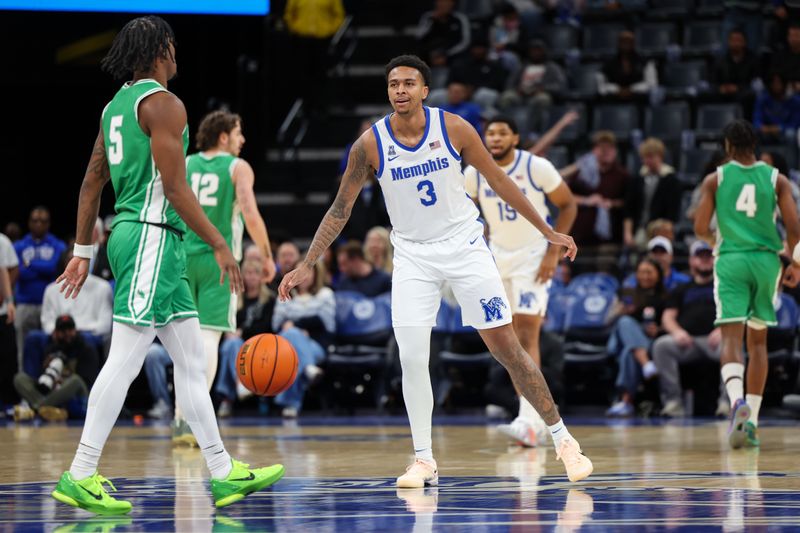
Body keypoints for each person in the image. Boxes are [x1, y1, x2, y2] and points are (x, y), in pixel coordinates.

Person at [279, 54, 592, 486]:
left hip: (465, 246)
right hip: (411, 255)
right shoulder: (369, 144)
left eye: (409, 83)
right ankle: (423, 459)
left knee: (508, 348)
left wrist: (548, 231)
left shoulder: (454, 128)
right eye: (393, 85)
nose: (400, 91)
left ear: (425, 90)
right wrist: (306, 263)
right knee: (411, 356)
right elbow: (340, 209)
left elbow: (501, 182)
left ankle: (563, 440)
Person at [51, 16, 283, 515]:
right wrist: (221, 244)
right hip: (152, 238)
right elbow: (175, 189)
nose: (177, 55)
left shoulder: (115, 107)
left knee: (192, 364)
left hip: (150, 242)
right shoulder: (164, 103)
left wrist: (83, 251)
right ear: (158, 50)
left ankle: (222, 472)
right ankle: (81, 472)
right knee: (127, 358)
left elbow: (92, 182)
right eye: (172, 47)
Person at [464, 115, 576, 447]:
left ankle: (528, 419)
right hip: (498, 257)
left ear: (515, 137)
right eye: (490, 134)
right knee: (507, 339)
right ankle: (535, 418)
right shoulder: (473, 173)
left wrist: (552, 254)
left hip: (533, 256)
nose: (494, 138)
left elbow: (568, 205)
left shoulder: (536, 167)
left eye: (502, 133)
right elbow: (465, 208)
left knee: (527, 334)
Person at [694, 119, 800, 448]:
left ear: (727, 147)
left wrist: (718, 238)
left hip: (731, 260)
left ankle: (736, 401)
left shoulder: (716, 178)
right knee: (758, 342)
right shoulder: (776, 178)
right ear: (755, 146)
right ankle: (751, 420)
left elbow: (699, 227)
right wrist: (795, 263)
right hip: (767, 261)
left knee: (731, 337)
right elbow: (794, 228)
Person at [174, 110, 277, 444]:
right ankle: (195, 423)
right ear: (223, 137)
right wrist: (265, 254)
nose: (242, 139)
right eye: (238, 133)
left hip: (182, 258)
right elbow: (249, 211)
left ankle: (180, 422)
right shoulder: (237, 167)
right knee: (208, 339)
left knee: (184, 345)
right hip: (221, 262)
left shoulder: (186, 163)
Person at [652, 240, 724, 419]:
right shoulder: (682, 289)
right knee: (662, 345)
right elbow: (667, 317)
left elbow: (736, 311)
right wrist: (677, 331)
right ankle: (673, 402)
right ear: (692, 261)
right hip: (687, 343)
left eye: (709, 256)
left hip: (716, 341)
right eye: (700, 257)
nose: (705, 260)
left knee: (734, 346)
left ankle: (727, 404)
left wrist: (724, 329)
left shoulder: (723, 285)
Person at [215, 259, 276, 418]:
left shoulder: (269, 300)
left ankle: (227, 398)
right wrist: (229, 332)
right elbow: (225, 322)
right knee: (231, 345)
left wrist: (242, 332)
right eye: (247, 273)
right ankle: (240, 384)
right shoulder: (234, 299)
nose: (251, 277)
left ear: (262, 277)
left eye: (255, 273)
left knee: (233, 345)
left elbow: (268, 327)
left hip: (260, 345)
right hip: (235, 345)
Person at [606, 258, 666, 417]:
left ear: (658, 275)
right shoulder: (626, 293)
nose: (644, 276)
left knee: (629, 352)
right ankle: (646, 364)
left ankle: (626, 402)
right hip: (619, 340)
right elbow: (606, 321)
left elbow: (668, 323)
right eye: (641, 272)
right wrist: (619, 311)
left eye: (649, 272)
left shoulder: (664, 297)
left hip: (648, 341)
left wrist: (658, 329)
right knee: (625, 322)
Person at [272, 261, 332, 417]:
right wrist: (298, 330)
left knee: (293, 349)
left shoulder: (325, 294)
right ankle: (307, 369)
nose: (304, 277)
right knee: (292, 339)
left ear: (316, 274)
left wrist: (296, 325)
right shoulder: (284, 295)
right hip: (287, 343)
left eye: (309, 272)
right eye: (298, 272)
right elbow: (276, 325)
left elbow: (326, 323)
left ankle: (290, 403)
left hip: (316, 345)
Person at [13, 315, 98, 423]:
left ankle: (36, 409)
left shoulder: (86, 349)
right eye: (63, 330)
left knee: (75, 380)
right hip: (53, 393)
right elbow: (44, 380)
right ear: (56, 333)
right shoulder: (51, 348)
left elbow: (86, 382)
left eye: (70, 329)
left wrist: (63, 381)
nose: (67, 334)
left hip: (76, 395)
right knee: (19, 378)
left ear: (75, 330)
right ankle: (51, 411)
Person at [14, 207, 66, 372]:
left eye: (43, 221)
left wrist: (30, 264)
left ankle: (48, 390)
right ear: (29, 223)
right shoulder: (19, 245)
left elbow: (54, 268)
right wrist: (41, 269)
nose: (38, 224)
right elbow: (19, 272)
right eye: (35, 221)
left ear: (48, 224)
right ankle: (26, 391)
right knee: (23, 349)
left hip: (50, 306)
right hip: (25, 305)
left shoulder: (58, 244)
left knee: (50, 348)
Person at [563, 131, 630, 250]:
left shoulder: (622, 175)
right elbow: (565, 196)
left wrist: (610, 203)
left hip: (610, 236)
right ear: (594, 150)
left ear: (615, 151)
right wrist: (586, 200)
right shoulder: (581, 173)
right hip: (581, 235)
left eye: (610, 148)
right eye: (602, 148)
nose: (606, 152)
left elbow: (628, 203)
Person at [623, 138, 682, 249]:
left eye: (650, 157)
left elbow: (673, 213)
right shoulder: (637, 180)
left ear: (660, 156)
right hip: (640, 230)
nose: (647, 161)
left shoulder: (672, 180)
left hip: (661, 230)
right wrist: (628, 233)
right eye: (644, 157)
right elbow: (629, 209)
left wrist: (664, 231)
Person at [622, 237, 690, 292]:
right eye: (654, 252)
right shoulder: (633, 281)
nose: (658, 257)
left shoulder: (684, 282)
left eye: (662, 252)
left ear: (671, 257)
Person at [0, 232, 19, 406]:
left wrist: (9, 301)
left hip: (2, 309)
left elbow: (4, 270)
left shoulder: (2, 241)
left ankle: (7, 402)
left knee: (6, 357)